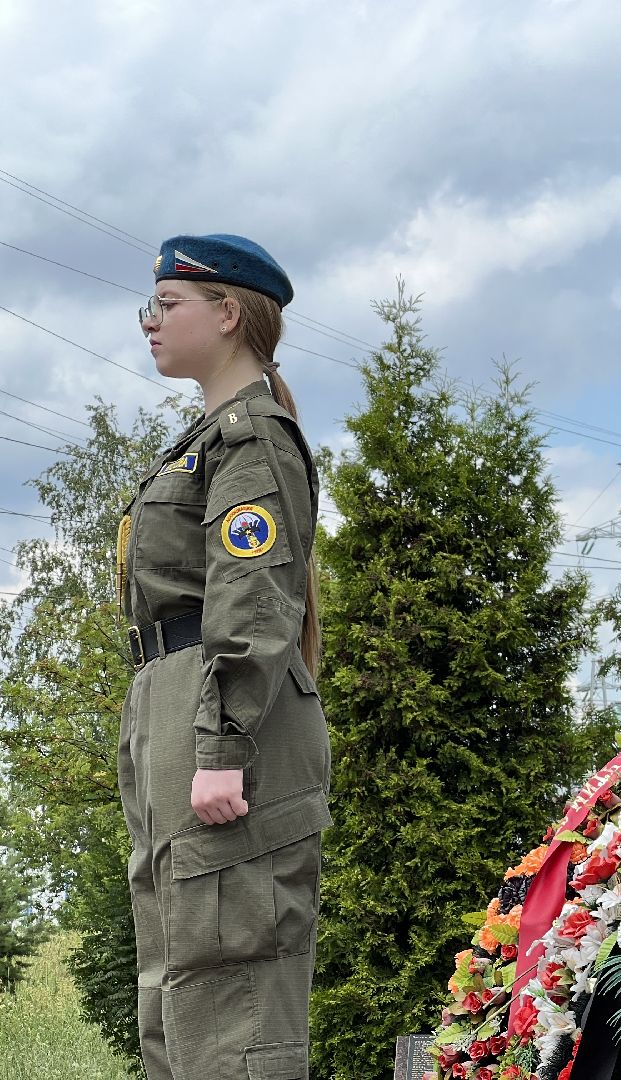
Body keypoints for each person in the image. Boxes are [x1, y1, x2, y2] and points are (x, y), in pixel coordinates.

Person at [117, 234, 331, 1079]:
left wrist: (222, 745)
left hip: (220, 714)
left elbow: (253, 601)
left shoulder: (252, 440)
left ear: (230, 313)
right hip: (170, 703)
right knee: (176, 990)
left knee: (229, 995)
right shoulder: (208, 439)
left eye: (168, 305)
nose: (150, 322)